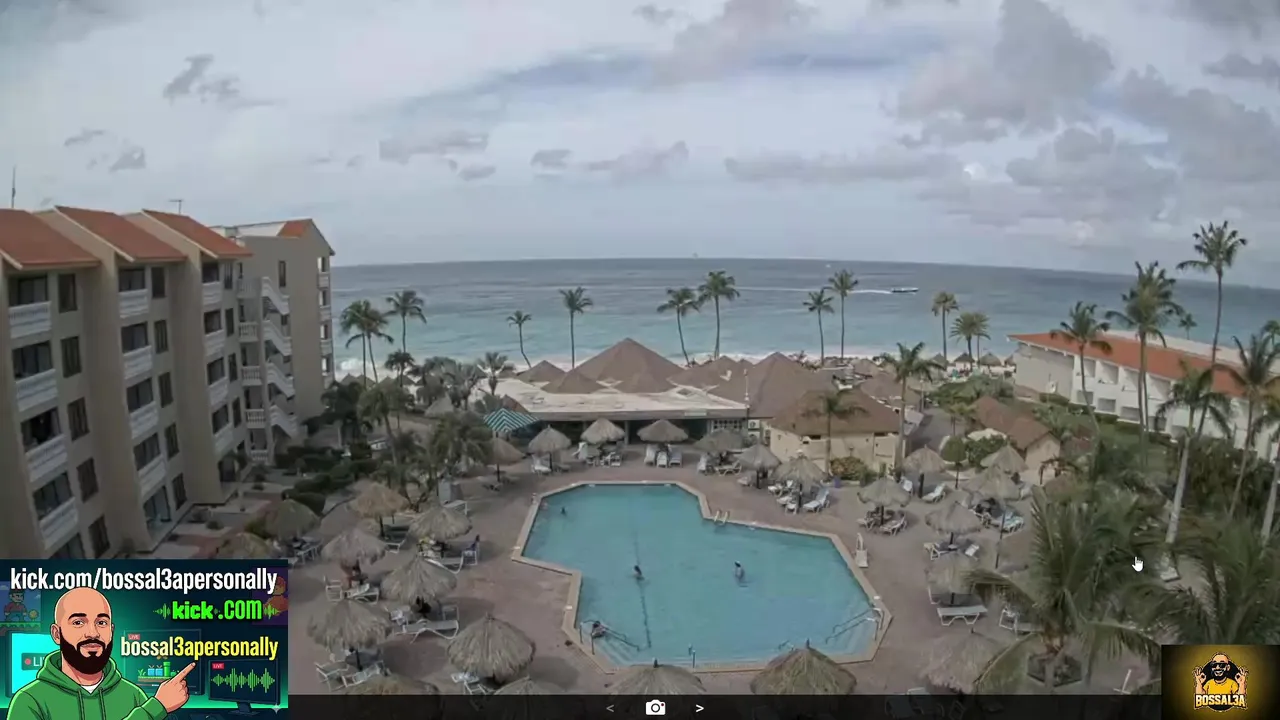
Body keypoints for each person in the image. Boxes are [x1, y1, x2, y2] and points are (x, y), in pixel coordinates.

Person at [7, 587, 195, 720]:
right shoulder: (29, 701)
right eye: (78, 622)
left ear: (111, 631)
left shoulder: (133, 695)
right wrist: (155, 709)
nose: (93, 633)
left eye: (101, 623)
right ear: (57, 634)